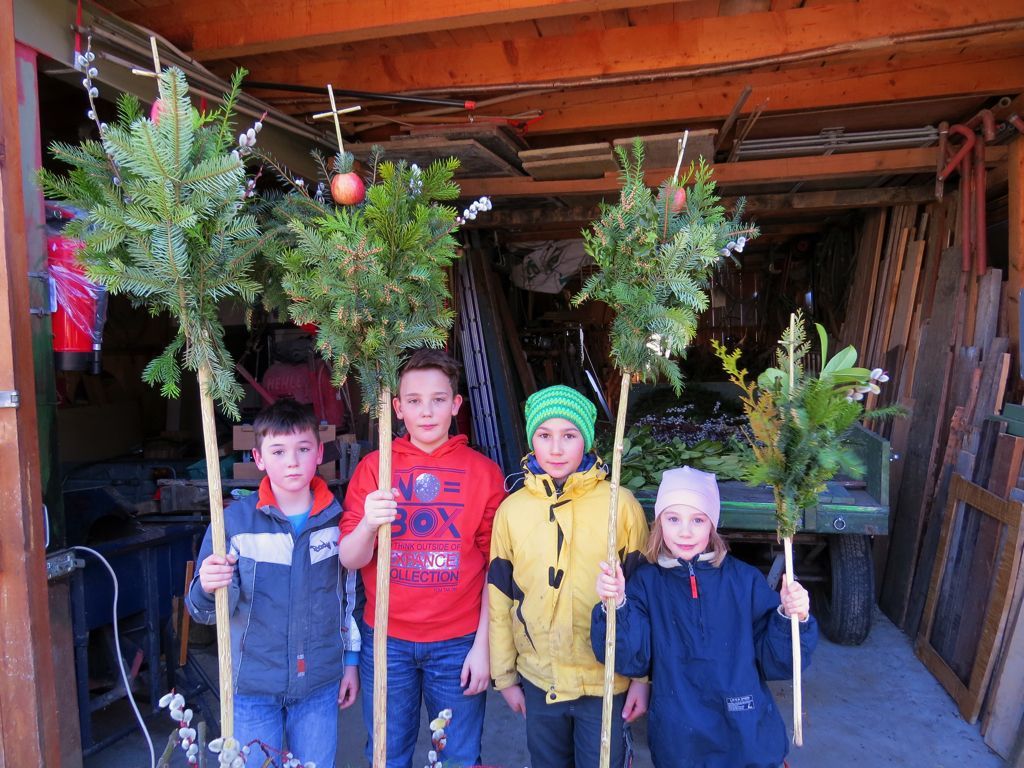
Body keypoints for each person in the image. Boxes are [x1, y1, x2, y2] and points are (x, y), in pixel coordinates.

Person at [339, 348, 505, 768]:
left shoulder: (484, 473)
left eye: (437, 399)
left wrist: (483, 647)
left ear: (456, 404)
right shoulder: (375, 468)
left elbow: (496, 571)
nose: (426, 411)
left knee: (459, 755)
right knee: (386, 754)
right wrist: (368, 525)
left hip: (458, 642)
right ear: (397, 408)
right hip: (386, 641)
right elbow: (350, 559)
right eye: (413, 401)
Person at [593, 465, 818, 768]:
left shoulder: (744, 580)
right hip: (680, 740)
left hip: (747, 732)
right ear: (659, 523)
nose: (685, 531)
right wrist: (616, 605)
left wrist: (793, 618)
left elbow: (780, 663)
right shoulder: (645, 585)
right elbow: (630, 660)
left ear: (712, 524)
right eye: (673, 519)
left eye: (698, 519)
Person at [186, 398, 360, 768]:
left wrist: (351, 662)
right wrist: (207, 586)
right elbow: (202, 610)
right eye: (278, 451)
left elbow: (349, 598)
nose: (292, 461)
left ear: (319, 453)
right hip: (251, 687)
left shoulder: (337, 521)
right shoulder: (233, 523)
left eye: (303, 449)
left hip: (319, 682)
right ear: (259, 458)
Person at [488, 384, 650, 768]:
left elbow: (645, 599)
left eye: (569, 435)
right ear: (532, 440)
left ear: (588, 441)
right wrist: (505, 676)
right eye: (544, 435)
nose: (556, 449)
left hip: (605, 680)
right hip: (540, 678)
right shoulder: (512, 511)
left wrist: (643, 679)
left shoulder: (620, 506)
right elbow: (500, 598)